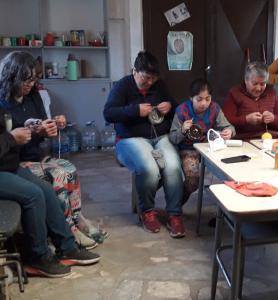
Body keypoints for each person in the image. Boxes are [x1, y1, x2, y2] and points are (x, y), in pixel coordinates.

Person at [0, 51, 106, 250]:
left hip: (34, 154)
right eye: (25, 79)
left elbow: (42, 127)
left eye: (33, 79)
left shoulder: (33, 96)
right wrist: (19, 136)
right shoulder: (2, 102)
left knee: (70, 169)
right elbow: (9, 139)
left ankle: (76, 220)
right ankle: (68, 230)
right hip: (14, 160)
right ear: (11, 76)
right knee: (58, 174)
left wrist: (52, 126)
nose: (30, 84)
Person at [0, 108, 100, 278]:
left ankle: (67, 248)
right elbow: (8, 137)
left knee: (46, 189)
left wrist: (33, 130)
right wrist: (11, 138)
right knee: (33, 195)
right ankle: (37, 259)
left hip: (8, 166)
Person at [104, 51, 185, 238]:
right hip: (129, 139)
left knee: (173, 166)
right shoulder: (123, 86)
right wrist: (134, 110)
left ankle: (175, 214)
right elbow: (108, 114)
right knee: (149, 168)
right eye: (146, 78)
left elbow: (176, 107)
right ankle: (147, 211)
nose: (150, 83)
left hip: (160, 136)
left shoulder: (159, 85)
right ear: (134, 71)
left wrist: (169, 106)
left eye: (153, 79)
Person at [169, 79, 235, 204]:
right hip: (189, 150)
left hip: (208, 148)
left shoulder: (214, 108)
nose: (204, 103)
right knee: (193, 181)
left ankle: (227, 208)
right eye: (199, 99)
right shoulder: (182, 110)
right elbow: (173, 137)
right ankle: (175, 206)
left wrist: (229, 131)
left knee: (231, 172)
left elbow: (229, 127)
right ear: (191, 98)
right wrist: (182, 129)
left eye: (207, 98)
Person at [223, 61, 278, 140]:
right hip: (244, 141)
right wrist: (246, 119)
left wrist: (273, 118)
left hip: (269, 140)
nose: (258, 88)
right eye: (254, 83)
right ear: (246, 80)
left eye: (262, 84)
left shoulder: (271, 93)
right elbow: (225, 122)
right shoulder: (235, 93)